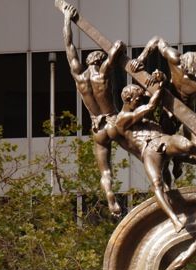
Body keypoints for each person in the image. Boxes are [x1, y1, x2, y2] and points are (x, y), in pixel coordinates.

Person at [107, 74, 196, 233]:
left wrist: (161, 78)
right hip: (149, 151)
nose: (139, 102)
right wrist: (160, 87)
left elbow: (155, 93)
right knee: (157, 184)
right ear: (128, 100)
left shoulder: (139, 108)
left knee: (190, 146)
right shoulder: (123, 119)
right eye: (137, 100)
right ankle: (175, 220)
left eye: (140, 99)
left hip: (161, 140)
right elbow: (151, 106)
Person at [59, 0, 125, 216]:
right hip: (114, 121)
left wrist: (67, 19)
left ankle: (109, 196)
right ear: (99, 60)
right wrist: (117, 47)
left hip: (97, 127)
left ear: (87, 61)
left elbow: (69, 46)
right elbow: (117, 47)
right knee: (143, 143)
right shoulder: (104, 71)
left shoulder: (79, 76)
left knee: (105, 169)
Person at [127, 38, 196, 152]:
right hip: (169, 99)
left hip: (186, 111)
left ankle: (178, 161)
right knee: (162, 143)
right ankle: (173, 163)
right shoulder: (174, 58)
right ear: (182, 65)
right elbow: (157, 40)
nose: (194, 76)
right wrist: (140, 59)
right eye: (191, 73)